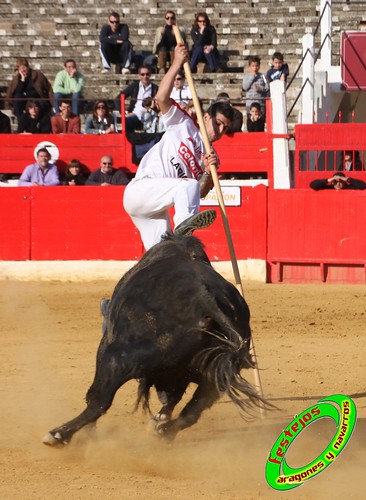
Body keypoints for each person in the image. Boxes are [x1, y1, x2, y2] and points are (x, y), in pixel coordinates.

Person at [123, 42, 234, 251]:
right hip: (141, 190)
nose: (219, 131)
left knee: (163, 256)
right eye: (218, 123)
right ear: (206, 116)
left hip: (157, 210)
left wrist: (210, 173)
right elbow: (161, 98)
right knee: (186, 185)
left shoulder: (211, 156)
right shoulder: (184, 123)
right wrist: (176, 64)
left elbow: (199, 193)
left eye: (225, 128)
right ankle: (184, 230)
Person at [116, 66, 159, 132]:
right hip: (135, 115)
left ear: (150, 75)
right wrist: (123, 113)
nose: (145, 76)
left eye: (147, 74)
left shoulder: (156, 89)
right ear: (139, 76)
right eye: (142, 74)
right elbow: (118, 98)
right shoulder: (134, 86)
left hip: (150, 117)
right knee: (127, 121)